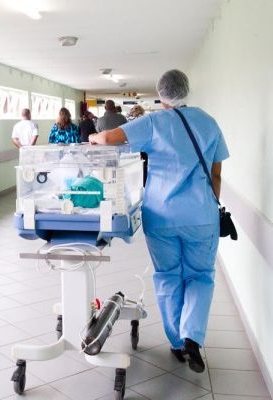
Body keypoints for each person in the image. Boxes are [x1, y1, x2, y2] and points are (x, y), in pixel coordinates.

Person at [89, 69, 229, 373]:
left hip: (162, 215)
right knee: (200, 276)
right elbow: (216, 174)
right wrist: (208, 203)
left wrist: (94, 135)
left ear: (161, 93)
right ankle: (193, 336)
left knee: (168, 276)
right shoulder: (209, 122)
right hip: (201, 216)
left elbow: (110, 138)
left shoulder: (154, 122)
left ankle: (178, 343)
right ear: (187, 90)